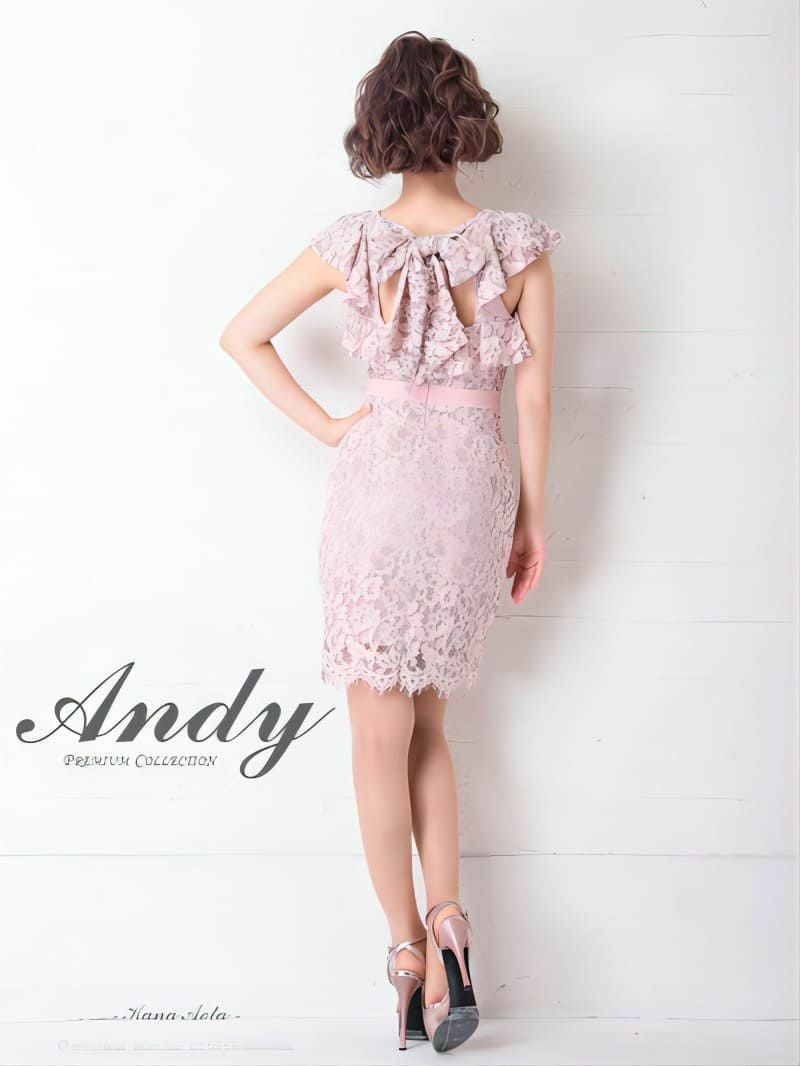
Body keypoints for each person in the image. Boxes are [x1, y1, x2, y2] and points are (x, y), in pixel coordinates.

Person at [220, 29, 562, 1054]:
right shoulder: (518, 244)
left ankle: (408, 952)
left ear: (379, 128)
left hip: (377, 487)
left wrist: (332, 426)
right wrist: (530, 515)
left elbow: (242, 334)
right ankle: (454, 925)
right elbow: (534, 395)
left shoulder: (352, 242)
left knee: (376, 731)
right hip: (469, 489)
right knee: (428, 725)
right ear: (467, 124)